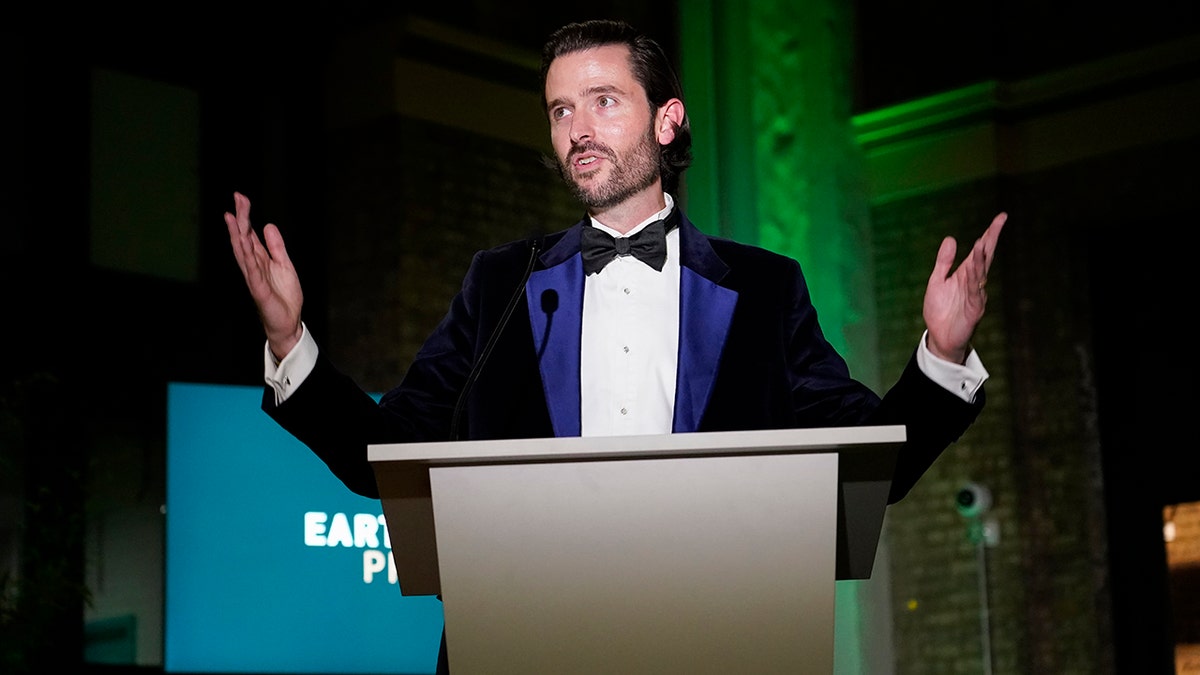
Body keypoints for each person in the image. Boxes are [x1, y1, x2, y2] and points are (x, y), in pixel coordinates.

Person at [225, 18, 1004, 674]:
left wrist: (938, 354)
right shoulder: (499, 286)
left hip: (715, 643)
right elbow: (386, 452)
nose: (578, 130)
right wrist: (290, 340)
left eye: (603, 101)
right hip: (520, 642)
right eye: (561, 110)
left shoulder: (765, 289)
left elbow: (870, 461)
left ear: (668, 120)